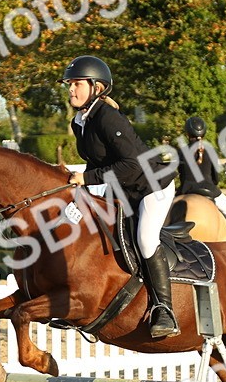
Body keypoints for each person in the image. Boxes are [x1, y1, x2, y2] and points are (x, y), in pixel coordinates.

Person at [63, 55, 179, 338]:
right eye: (69, 84)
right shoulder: (80, 121)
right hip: (123, 190)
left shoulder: (107, 116)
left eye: (77, 84)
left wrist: (87, 179)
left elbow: (133, 164)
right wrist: (82, 190)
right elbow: (96, 160)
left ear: (97, 87)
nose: (70, 90)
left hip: (151, 187)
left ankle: (165, 310)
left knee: (145, 240)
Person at [177, 116, 226, 219]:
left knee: (165, 215)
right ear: (204, 132)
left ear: (187, 134)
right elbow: (216, 178)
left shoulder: (181, 151)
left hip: (186, 190)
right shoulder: (210, 150)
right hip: (208, 189)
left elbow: (182, 176)